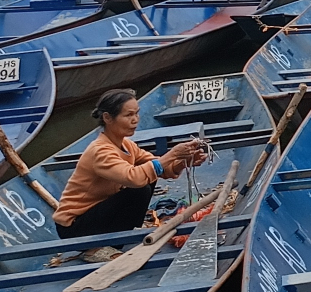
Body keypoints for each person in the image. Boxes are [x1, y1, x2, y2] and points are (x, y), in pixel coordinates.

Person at [54, 88, 210, 257]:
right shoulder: (100, 151)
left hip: (98, 214)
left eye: (136, 114)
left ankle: (117, 238)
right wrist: (172, 154)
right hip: (74, 227)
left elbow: (158, 166)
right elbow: (134, 178)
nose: (135, 120)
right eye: (128, 115)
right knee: (140, 186)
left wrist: (184, 162)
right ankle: (93, 247)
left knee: (148, 175)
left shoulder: (127, 145)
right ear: (107, 118)